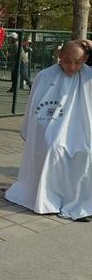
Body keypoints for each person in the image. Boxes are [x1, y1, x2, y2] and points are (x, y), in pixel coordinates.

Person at [5, 40, 92, 221]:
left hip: (82, 131)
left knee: (86, 151)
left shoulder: (89, 76)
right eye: (68, 61)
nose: (72, 66)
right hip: (50, 128)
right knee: (53, 146)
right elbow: (35, 110)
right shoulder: (45, 76)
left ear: (86, 60)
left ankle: (76, 198)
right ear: (59, 56)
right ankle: (48, 198)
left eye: (78, 62)